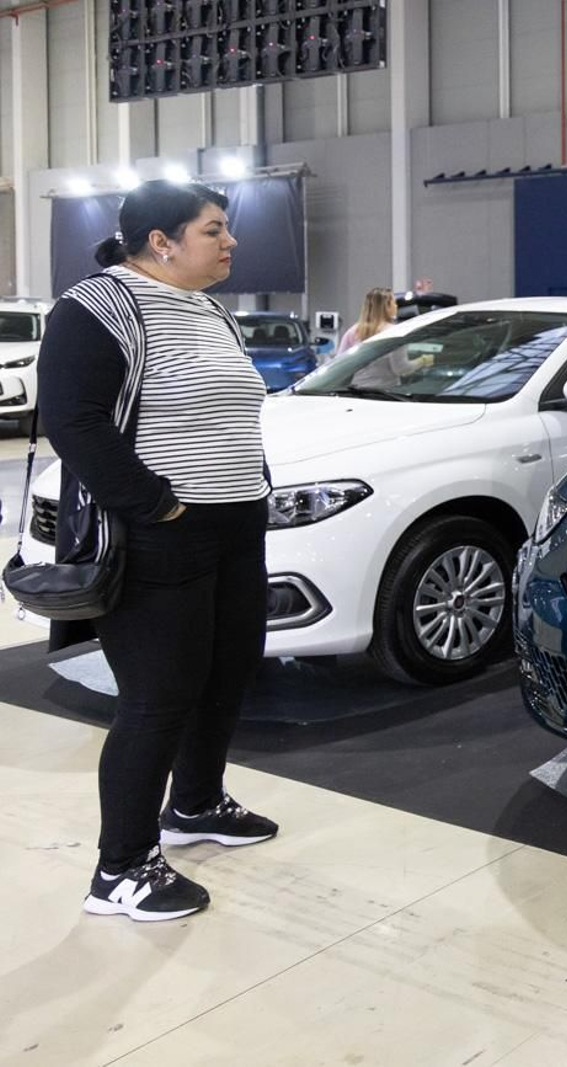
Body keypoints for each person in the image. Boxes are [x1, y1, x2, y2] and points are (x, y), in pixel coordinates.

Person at [37, 180, 279, 923]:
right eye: (214, 229)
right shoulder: (98, 306)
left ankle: (197, 803)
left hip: (236, 525)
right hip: (160, 535)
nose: (230, 241)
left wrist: (255, 490)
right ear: (161, 241)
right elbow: (73, 422)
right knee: (158, 697)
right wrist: (158, 505)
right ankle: (122, 868)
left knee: (227, 671)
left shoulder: (209, 309)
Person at [335, 286, 397, 357]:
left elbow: (339, 359)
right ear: (386, 306)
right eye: (394, 303)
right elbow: (398, 361)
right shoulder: (393, 331)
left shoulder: (353, 332)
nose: (396, 306)